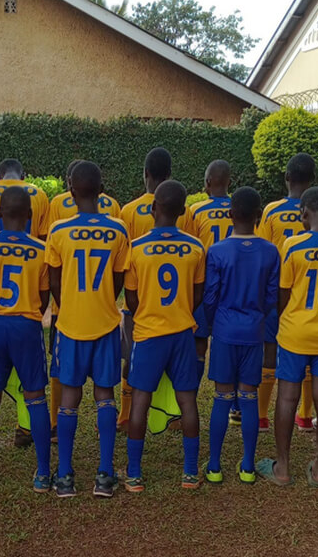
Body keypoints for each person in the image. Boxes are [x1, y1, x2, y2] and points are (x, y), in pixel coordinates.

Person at [257, 187, 318, 487]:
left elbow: (283, 293)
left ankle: (283, 468)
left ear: (304, 214)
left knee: (287, 397)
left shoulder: (292, 245)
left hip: (294, 334)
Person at [46, 161, 129, 498]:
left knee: (69, 397)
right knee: (104, 396)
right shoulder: (118, 229)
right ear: (102, 190)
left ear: (70, 190)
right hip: (106, 323)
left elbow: (53, 281)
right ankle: (105, 476)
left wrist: (70, 306)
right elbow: (119, 278)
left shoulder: (58, 230)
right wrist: (102, 300)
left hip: (70, 325)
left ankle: (65, 476)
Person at [0, 186, 53, 495]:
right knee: (35, 397)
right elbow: (44, 297)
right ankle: (43, 475)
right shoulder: (41, 249)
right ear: (30, 215)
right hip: (26, 325)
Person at [123, 180, 206, 492]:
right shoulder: (195, 248)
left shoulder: (136, 248)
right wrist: (179, 311)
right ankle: (189, 473)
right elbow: (198, 294)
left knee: (140, 400)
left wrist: (149, 313)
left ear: (152, 208)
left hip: (148, 334)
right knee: (188, 400)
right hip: (182, 333)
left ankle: (134, 474)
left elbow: (131, 299)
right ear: (183, 211)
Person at [202, 186, 278, 485]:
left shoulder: (217, 251)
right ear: (259, 215)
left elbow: (210, 296)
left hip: (225, 329)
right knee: (248, 397)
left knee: (222, 397)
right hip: (253, 331)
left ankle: (214, 465)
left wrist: (214, 323)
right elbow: (271, 297)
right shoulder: (271, 251)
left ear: (230, 214)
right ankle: (247, 466)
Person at [117, 147, 186, 432]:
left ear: (145, 173)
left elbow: (123, 259)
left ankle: (126, 415)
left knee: (132, 362)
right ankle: (174, 414)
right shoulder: (183, 211)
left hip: (137, 303)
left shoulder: (128, 211)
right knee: (176, 365)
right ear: (169, 175)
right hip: (174, 307)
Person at [257, 154, 317, 434]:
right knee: (308, 352)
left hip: (275, 292)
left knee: (270, 350)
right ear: (313, 180)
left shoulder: (272, 210)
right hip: (308, 294)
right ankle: (304, 415)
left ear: (286, 178)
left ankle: (261, 416)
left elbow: (263, 253)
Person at [185, 160, 241, 425]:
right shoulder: (239, 208)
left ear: (207, 183)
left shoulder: (196, 211)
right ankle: (237, 406)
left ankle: (191, 399)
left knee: (199, 344)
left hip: (205, 286)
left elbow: (191, 249)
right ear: (230, 182)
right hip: (235, 287)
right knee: (233, 344)